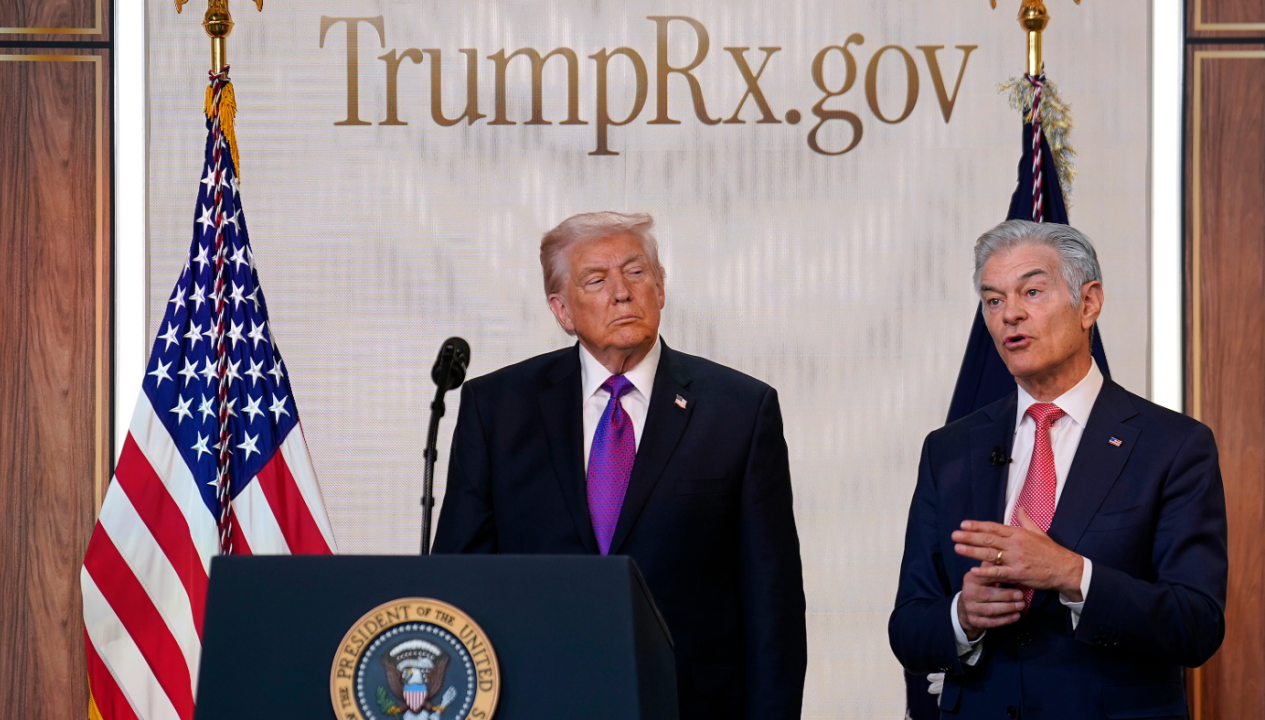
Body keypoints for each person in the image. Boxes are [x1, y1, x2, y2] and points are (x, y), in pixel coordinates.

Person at [433, 211, 807, 719]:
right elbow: (459, 581)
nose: (622, 292)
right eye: (596, 279)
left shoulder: (739, 410)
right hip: (534, 698)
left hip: (688, 704)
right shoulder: (497, 409)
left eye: (635, 273)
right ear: (562, 310)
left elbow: (773, 605)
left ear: (660, 290)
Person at [888, 220, 1227, 718]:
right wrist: (962, 616)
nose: (1011, 315)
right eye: (994, 300)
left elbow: (1196, 625)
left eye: (1032, 291)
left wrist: (1072, 574)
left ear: (1088, 303)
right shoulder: (950, 450)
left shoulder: (1173, 446)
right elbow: (909, 627)